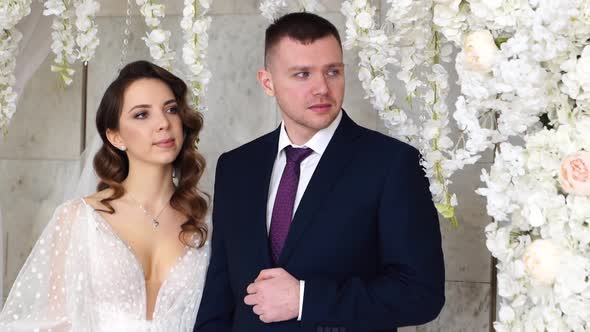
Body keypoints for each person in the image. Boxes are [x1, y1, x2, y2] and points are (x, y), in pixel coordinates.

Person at [195, 12, 445, 332]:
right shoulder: (236, 166)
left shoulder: (393, 164)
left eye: (332, 71)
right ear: (267, 82)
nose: (322, 88)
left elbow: (421, 294)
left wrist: (304, 299)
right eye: (302, 74)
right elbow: (220, 293)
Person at [0, 60, 211, 331]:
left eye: (171, 109)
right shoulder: (80, 218)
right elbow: (54, 323)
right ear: (115, 137)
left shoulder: (206, 221)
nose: (163, 123)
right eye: (141, 114)